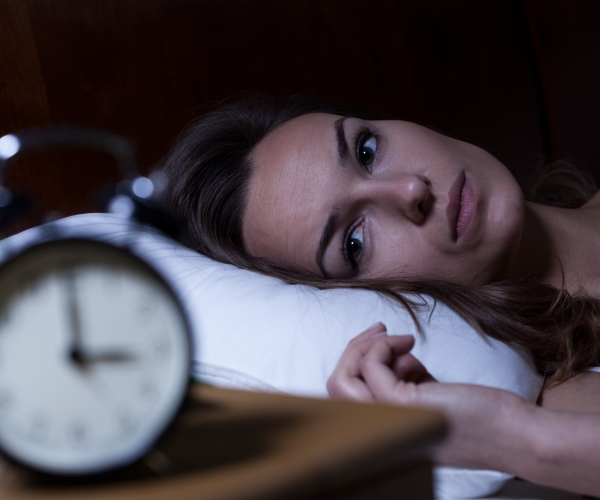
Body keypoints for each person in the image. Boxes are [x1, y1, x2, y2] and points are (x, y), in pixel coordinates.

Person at [161, 95, 600, 496]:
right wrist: (516, 440)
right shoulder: (574, 410)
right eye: (353, 243)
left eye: (366, 151)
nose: (409, 190)